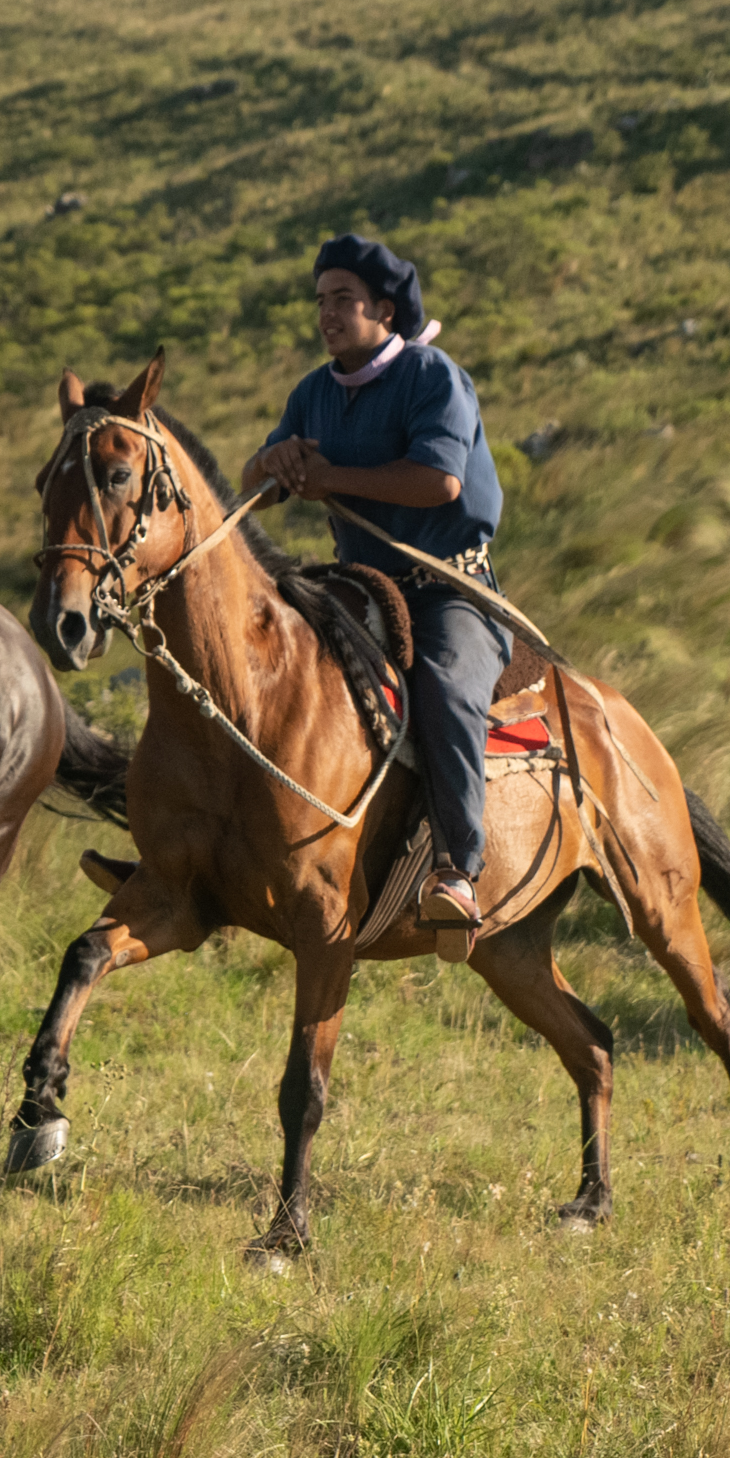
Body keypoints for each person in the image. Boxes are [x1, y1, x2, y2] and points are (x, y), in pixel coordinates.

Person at [243, 235, 510, 953]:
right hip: (360, 588)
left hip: (448, 590)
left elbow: (439, 481)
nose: (327, 314)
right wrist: (274, 461)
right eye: (321, 300)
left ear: (383, 311)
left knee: (446, 687)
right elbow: (256, 486)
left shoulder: (433, 376)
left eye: (343, 300)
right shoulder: (313, 392)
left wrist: (326, 478)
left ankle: (459, 870)